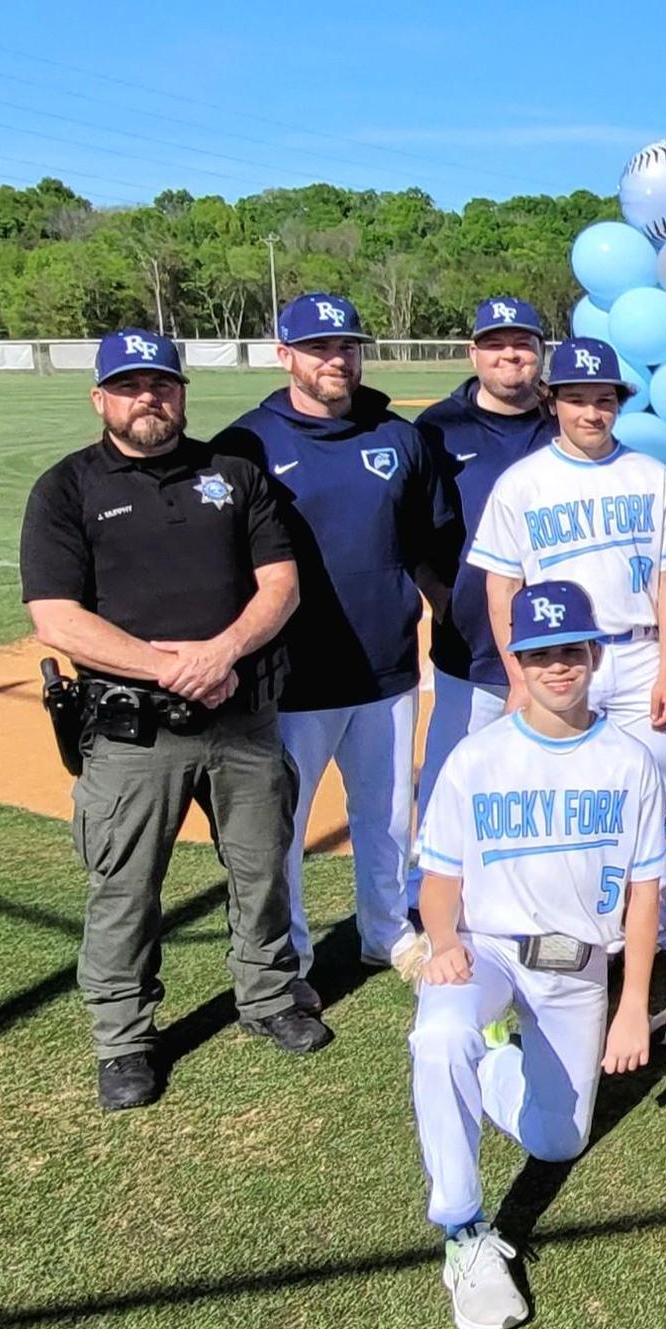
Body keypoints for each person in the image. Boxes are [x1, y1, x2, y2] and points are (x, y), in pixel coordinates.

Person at [20, 330, 333, 1108]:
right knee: (124, 889)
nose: (148, 399)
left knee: (261, 872)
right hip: (135, 732)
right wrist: (173, 668)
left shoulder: (233, 474)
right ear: (100, 398)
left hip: (241, 720)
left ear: (181, 393)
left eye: (161, 384)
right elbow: (56, 619)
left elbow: (280, 585)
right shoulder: (66, 489)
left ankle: (267, 997)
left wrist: (221, 654)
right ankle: (124, 1039)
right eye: (129, 387)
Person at [409, 580, 666, 1329]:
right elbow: (439, 884)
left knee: (560, 1140)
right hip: (487, 950)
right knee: (438, 1035)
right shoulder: (476, 758)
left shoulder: (628, 762)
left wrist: (631, 1010)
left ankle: (496, 1061)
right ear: (518, 662)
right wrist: (445, 941)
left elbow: (646, 896)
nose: (557, 667)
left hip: (576, 964)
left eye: (570, 652)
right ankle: (463, 1232)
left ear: (593, 656)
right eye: (539, 654)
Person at [215, 294, 445, 1000]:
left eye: (345, 345)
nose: (335, 359)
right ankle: (290, 960)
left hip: (385, 668)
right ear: (284, 355)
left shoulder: (398, 439)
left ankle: (385, 932)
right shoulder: (244, 445)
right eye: (317, 347)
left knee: (385, 815)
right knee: (279, 830)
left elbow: (427, 543)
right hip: (292, 679)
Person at [468, 338, 666, 793]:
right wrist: (519, 679)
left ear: (621, 404)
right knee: (562, 790)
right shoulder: (521, 483)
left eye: (605, 400)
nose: (592, 413)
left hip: (637, 656)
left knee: (657, 793)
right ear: (551, 402)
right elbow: (503, 588)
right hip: (557, 658)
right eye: (576, 400)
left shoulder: (652, 476)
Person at [409, 298, 556, 905]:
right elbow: (414, 536)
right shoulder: (438, 429)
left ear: (540, 353)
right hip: (468, 648)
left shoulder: (566, 421)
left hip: (557, 645)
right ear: (474, 353)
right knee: (451, 774)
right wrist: (446, 605)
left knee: (548, 779)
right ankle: (426, 897)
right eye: (496, 344)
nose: (510, 355)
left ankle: (534, 893)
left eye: (522, 343)